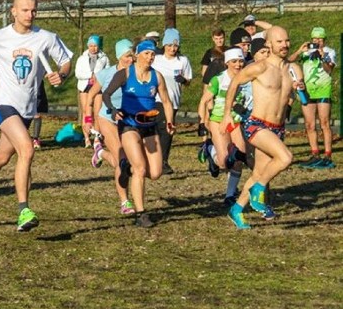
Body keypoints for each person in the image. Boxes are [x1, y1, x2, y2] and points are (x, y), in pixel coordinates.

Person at [0, 0, 73, 232]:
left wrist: (61, 75)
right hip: (2, 102)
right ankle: (24, 210)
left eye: (33, 10)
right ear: (13, 11)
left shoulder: (46, 38)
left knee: (1, 157)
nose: (30, 15)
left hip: (26, 108)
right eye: (25, 10)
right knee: (26, 148)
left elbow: (66, 62)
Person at [222, 26, 301, 229]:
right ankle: (259, 190)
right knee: (285, 158)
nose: (284, 45)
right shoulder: (260, 67)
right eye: (279, 41)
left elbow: (302, 98)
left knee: (259, 172)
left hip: (277, 127)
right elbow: (234, 84)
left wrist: (301, 89)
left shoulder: (293, 69)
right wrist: (226, 114)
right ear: (269, 44)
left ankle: (237, 209)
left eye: (287, 41)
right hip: (256, 125)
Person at [102, 39, 174, 228]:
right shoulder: (125, 73)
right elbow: (106, 94)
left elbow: (166, 101)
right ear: (137, 55)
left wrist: (170, 121)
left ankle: (126, 167)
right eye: (147, 54)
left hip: (149, 125)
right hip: (128, 124)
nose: (150, 58)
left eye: (152, 54)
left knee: (156, 172)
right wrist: (113, 110)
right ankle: (141, 214)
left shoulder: (157, 77)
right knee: (141, 168)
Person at [86, 39, 135, 215]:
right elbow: (91, 96)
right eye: (128, 56)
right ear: (119, 56)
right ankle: (125, 201)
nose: (131, 59)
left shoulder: (136, 74)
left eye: (132, 55)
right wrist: (87, 119)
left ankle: (100, 153)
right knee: (121, 156)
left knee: (124, 161)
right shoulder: (106, 74)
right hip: (108, 119)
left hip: (128, 120)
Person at [197, 47, 248, 185]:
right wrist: (202, 122)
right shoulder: (218, 79)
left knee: (239, 159)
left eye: (240, 61)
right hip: (218, 121)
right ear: (227, 63)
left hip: (236, 121)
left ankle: (230, 195)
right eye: (234, 61)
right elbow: (204, 100)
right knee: (224, 162)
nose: (238, 65)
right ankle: (209, 148)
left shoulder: (246, 78)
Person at [289, 26, 336, 167]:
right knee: (309, 124)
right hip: (307, 91)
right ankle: (314, 153)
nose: (317, 42)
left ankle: (328, 155)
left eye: (320, 39)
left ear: (324, 40)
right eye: (315, 39)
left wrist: (323, 57)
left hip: (323, 91)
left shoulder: (330, 52)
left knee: (324, 123)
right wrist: (299, 51)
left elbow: (329, 70)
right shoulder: (306, 52)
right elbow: (287, 62)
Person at [152, 28, 192, 174]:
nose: (172, 49)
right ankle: (159, 161)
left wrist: (184, 80)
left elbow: (188, 81)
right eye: (169, 45)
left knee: (168, 130)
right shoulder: (156, 59)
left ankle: (162, 160)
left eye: (175, 46)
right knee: (160, 127)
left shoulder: (183, 61)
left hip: (173, 100)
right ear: (164, 45)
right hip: (156, 98)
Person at [74, 34, 110, 147]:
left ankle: (97, 137)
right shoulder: (82, 58)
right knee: (86, 111)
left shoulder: (104, 58)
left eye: (95, 46)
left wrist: (98, 77)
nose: (93, 48)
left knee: (98, 111)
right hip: (85, 87)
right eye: (91, 46)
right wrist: (90, 75)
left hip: (98, 87)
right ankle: (86, 137)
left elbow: (108, 72)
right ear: (88, 46)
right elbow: (78, 73)